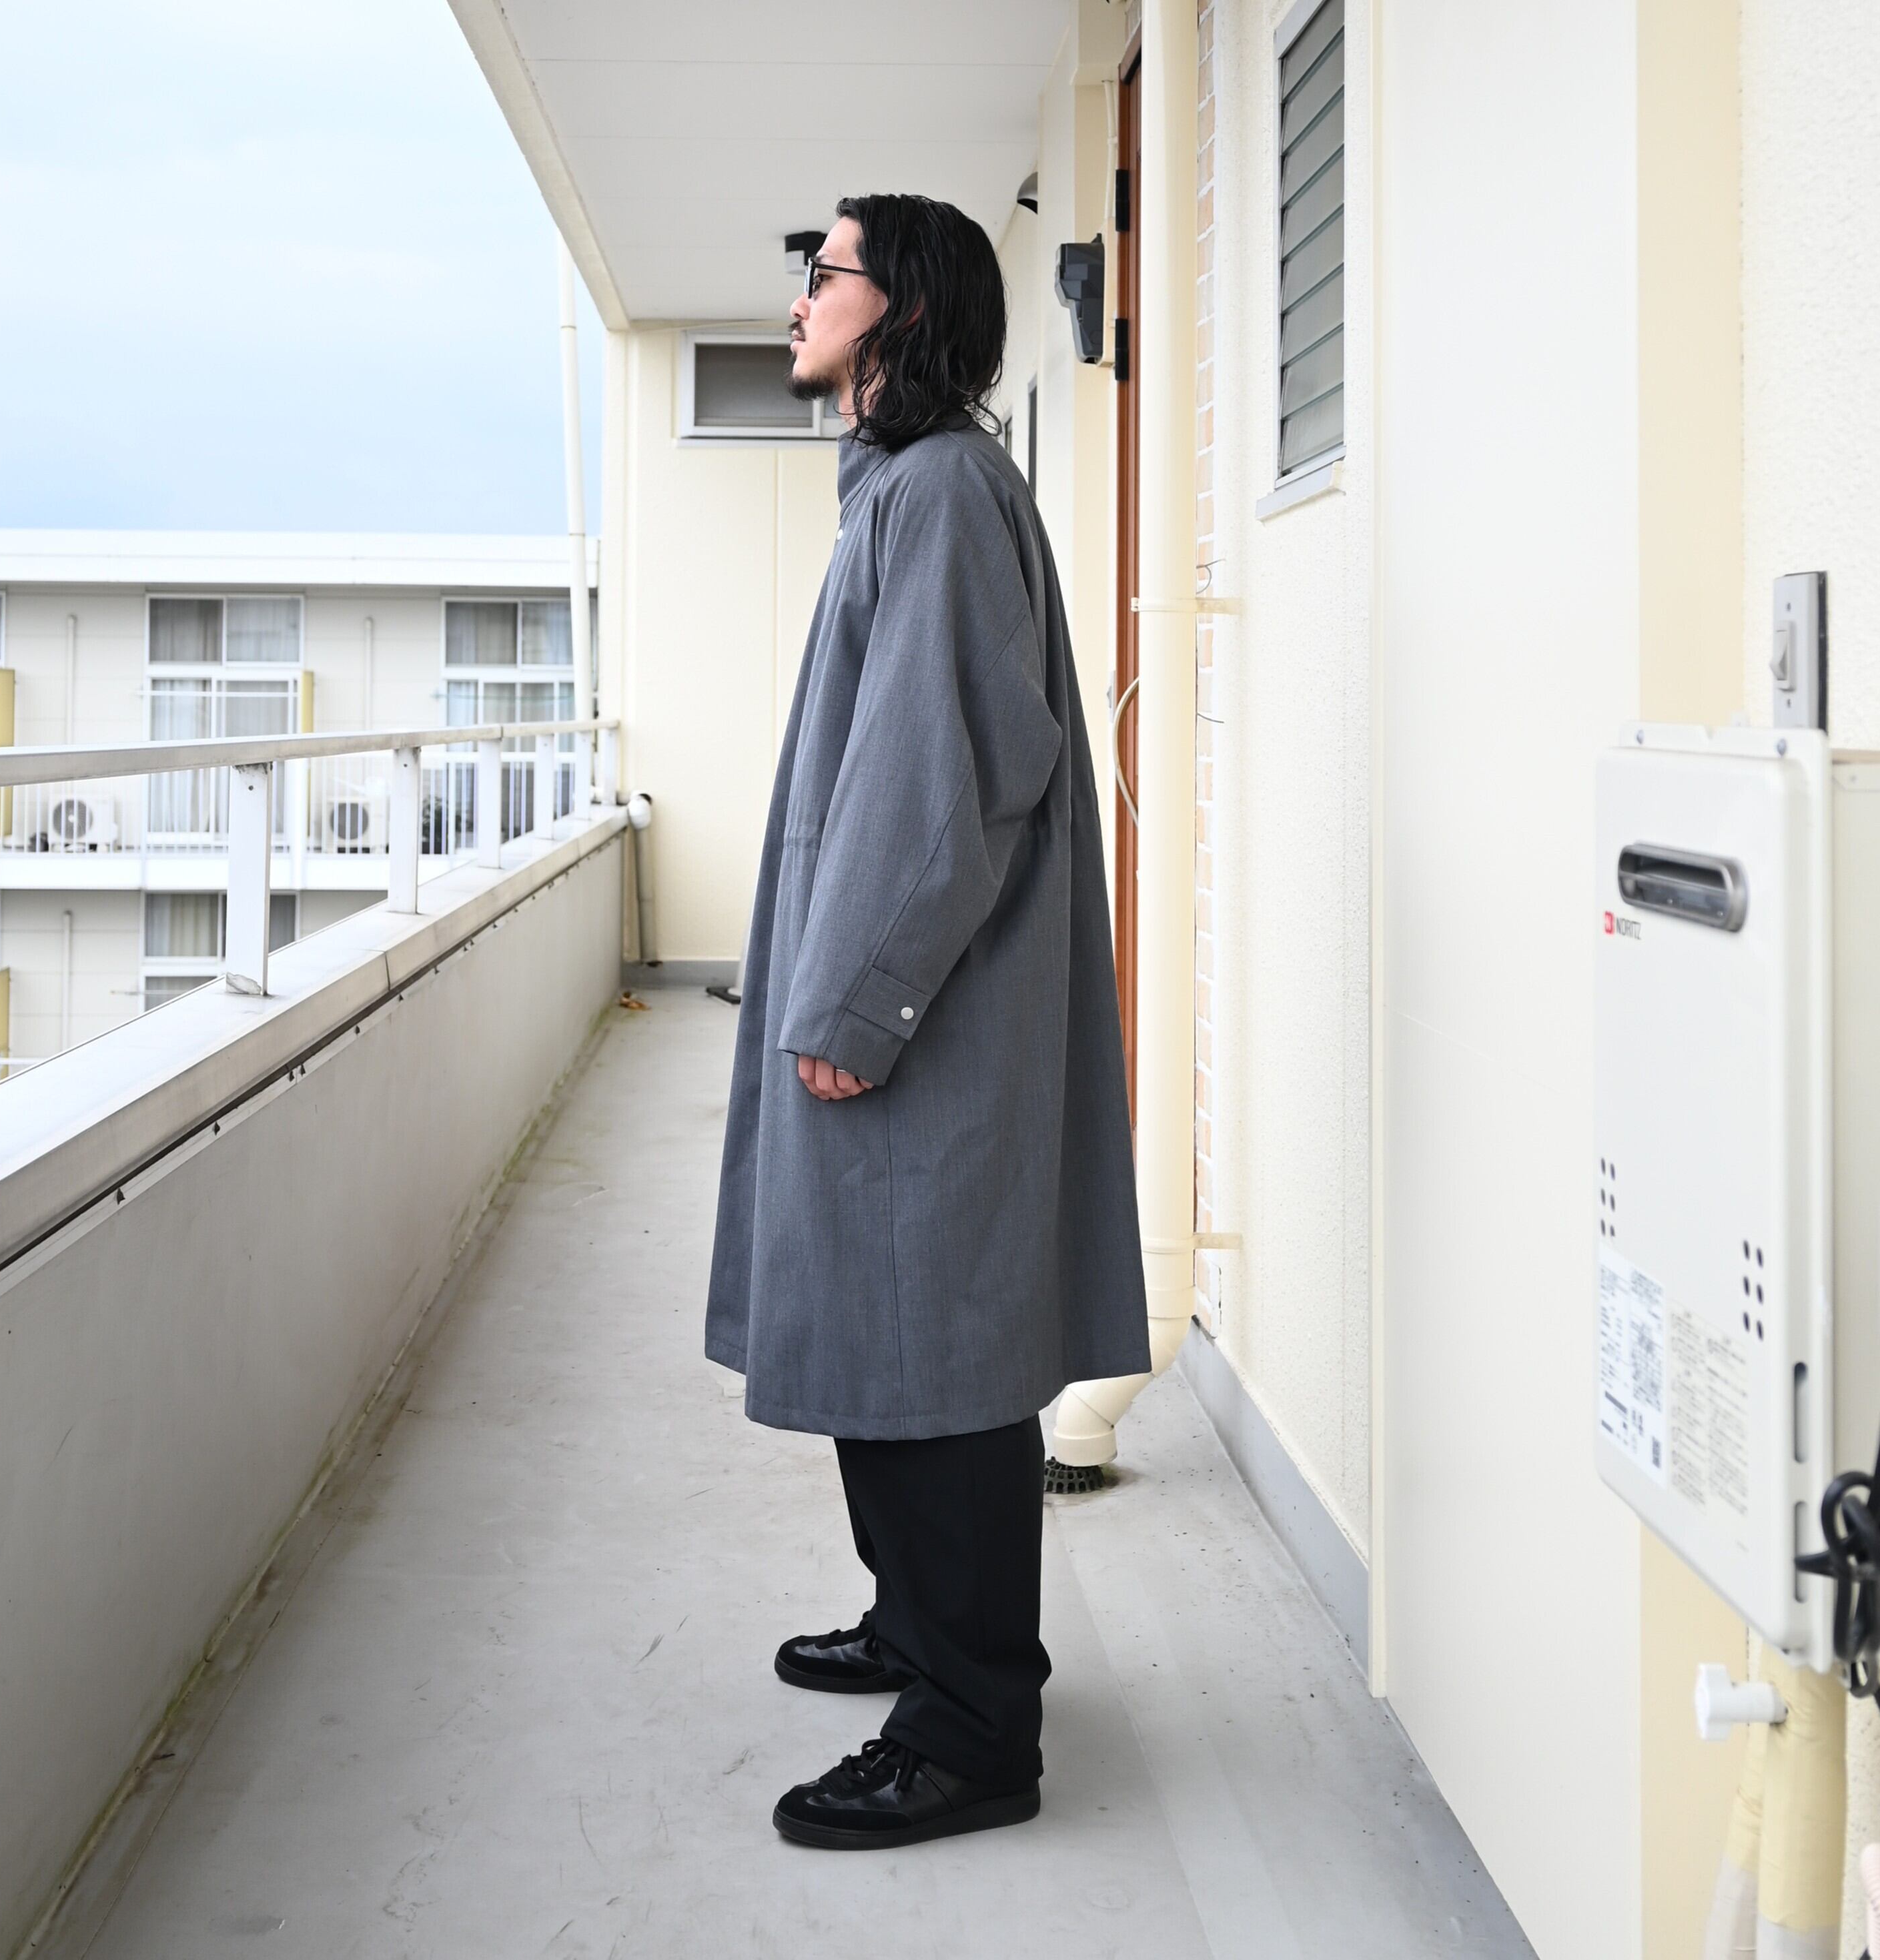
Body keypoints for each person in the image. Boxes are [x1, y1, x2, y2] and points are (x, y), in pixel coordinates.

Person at [704, 192, 1148, 1851]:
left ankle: (970, 1729)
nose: (798, 297)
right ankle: (915, 1624)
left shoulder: (945, 492)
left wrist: (856, 997)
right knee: (890, 1333)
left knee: (937, 1350)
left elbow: (940, 777)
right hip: (911, 1001)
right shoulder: (908, 487)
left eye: (819, 271)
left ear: (896, 307)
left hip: (926, 1011)